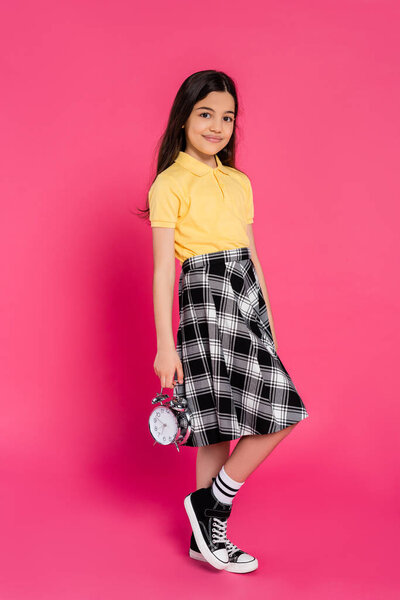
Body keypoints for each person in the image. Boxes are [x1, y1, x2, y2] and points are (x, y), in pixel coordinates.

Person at [144, 70, 310, 573]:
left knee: (269, 408)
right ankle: (210, 522)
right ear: (184, 118)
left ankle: (207, 510)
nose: (217, 126)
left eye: (227, 117)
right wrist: (164, 346)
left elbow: (254, 258)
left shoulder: (238, 182)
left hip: (243, 293)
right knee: (216, 424)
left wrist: (269, 321)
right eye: (206, 114)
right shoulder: (169, 183)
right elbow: (161, 270)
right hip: (205, 295)